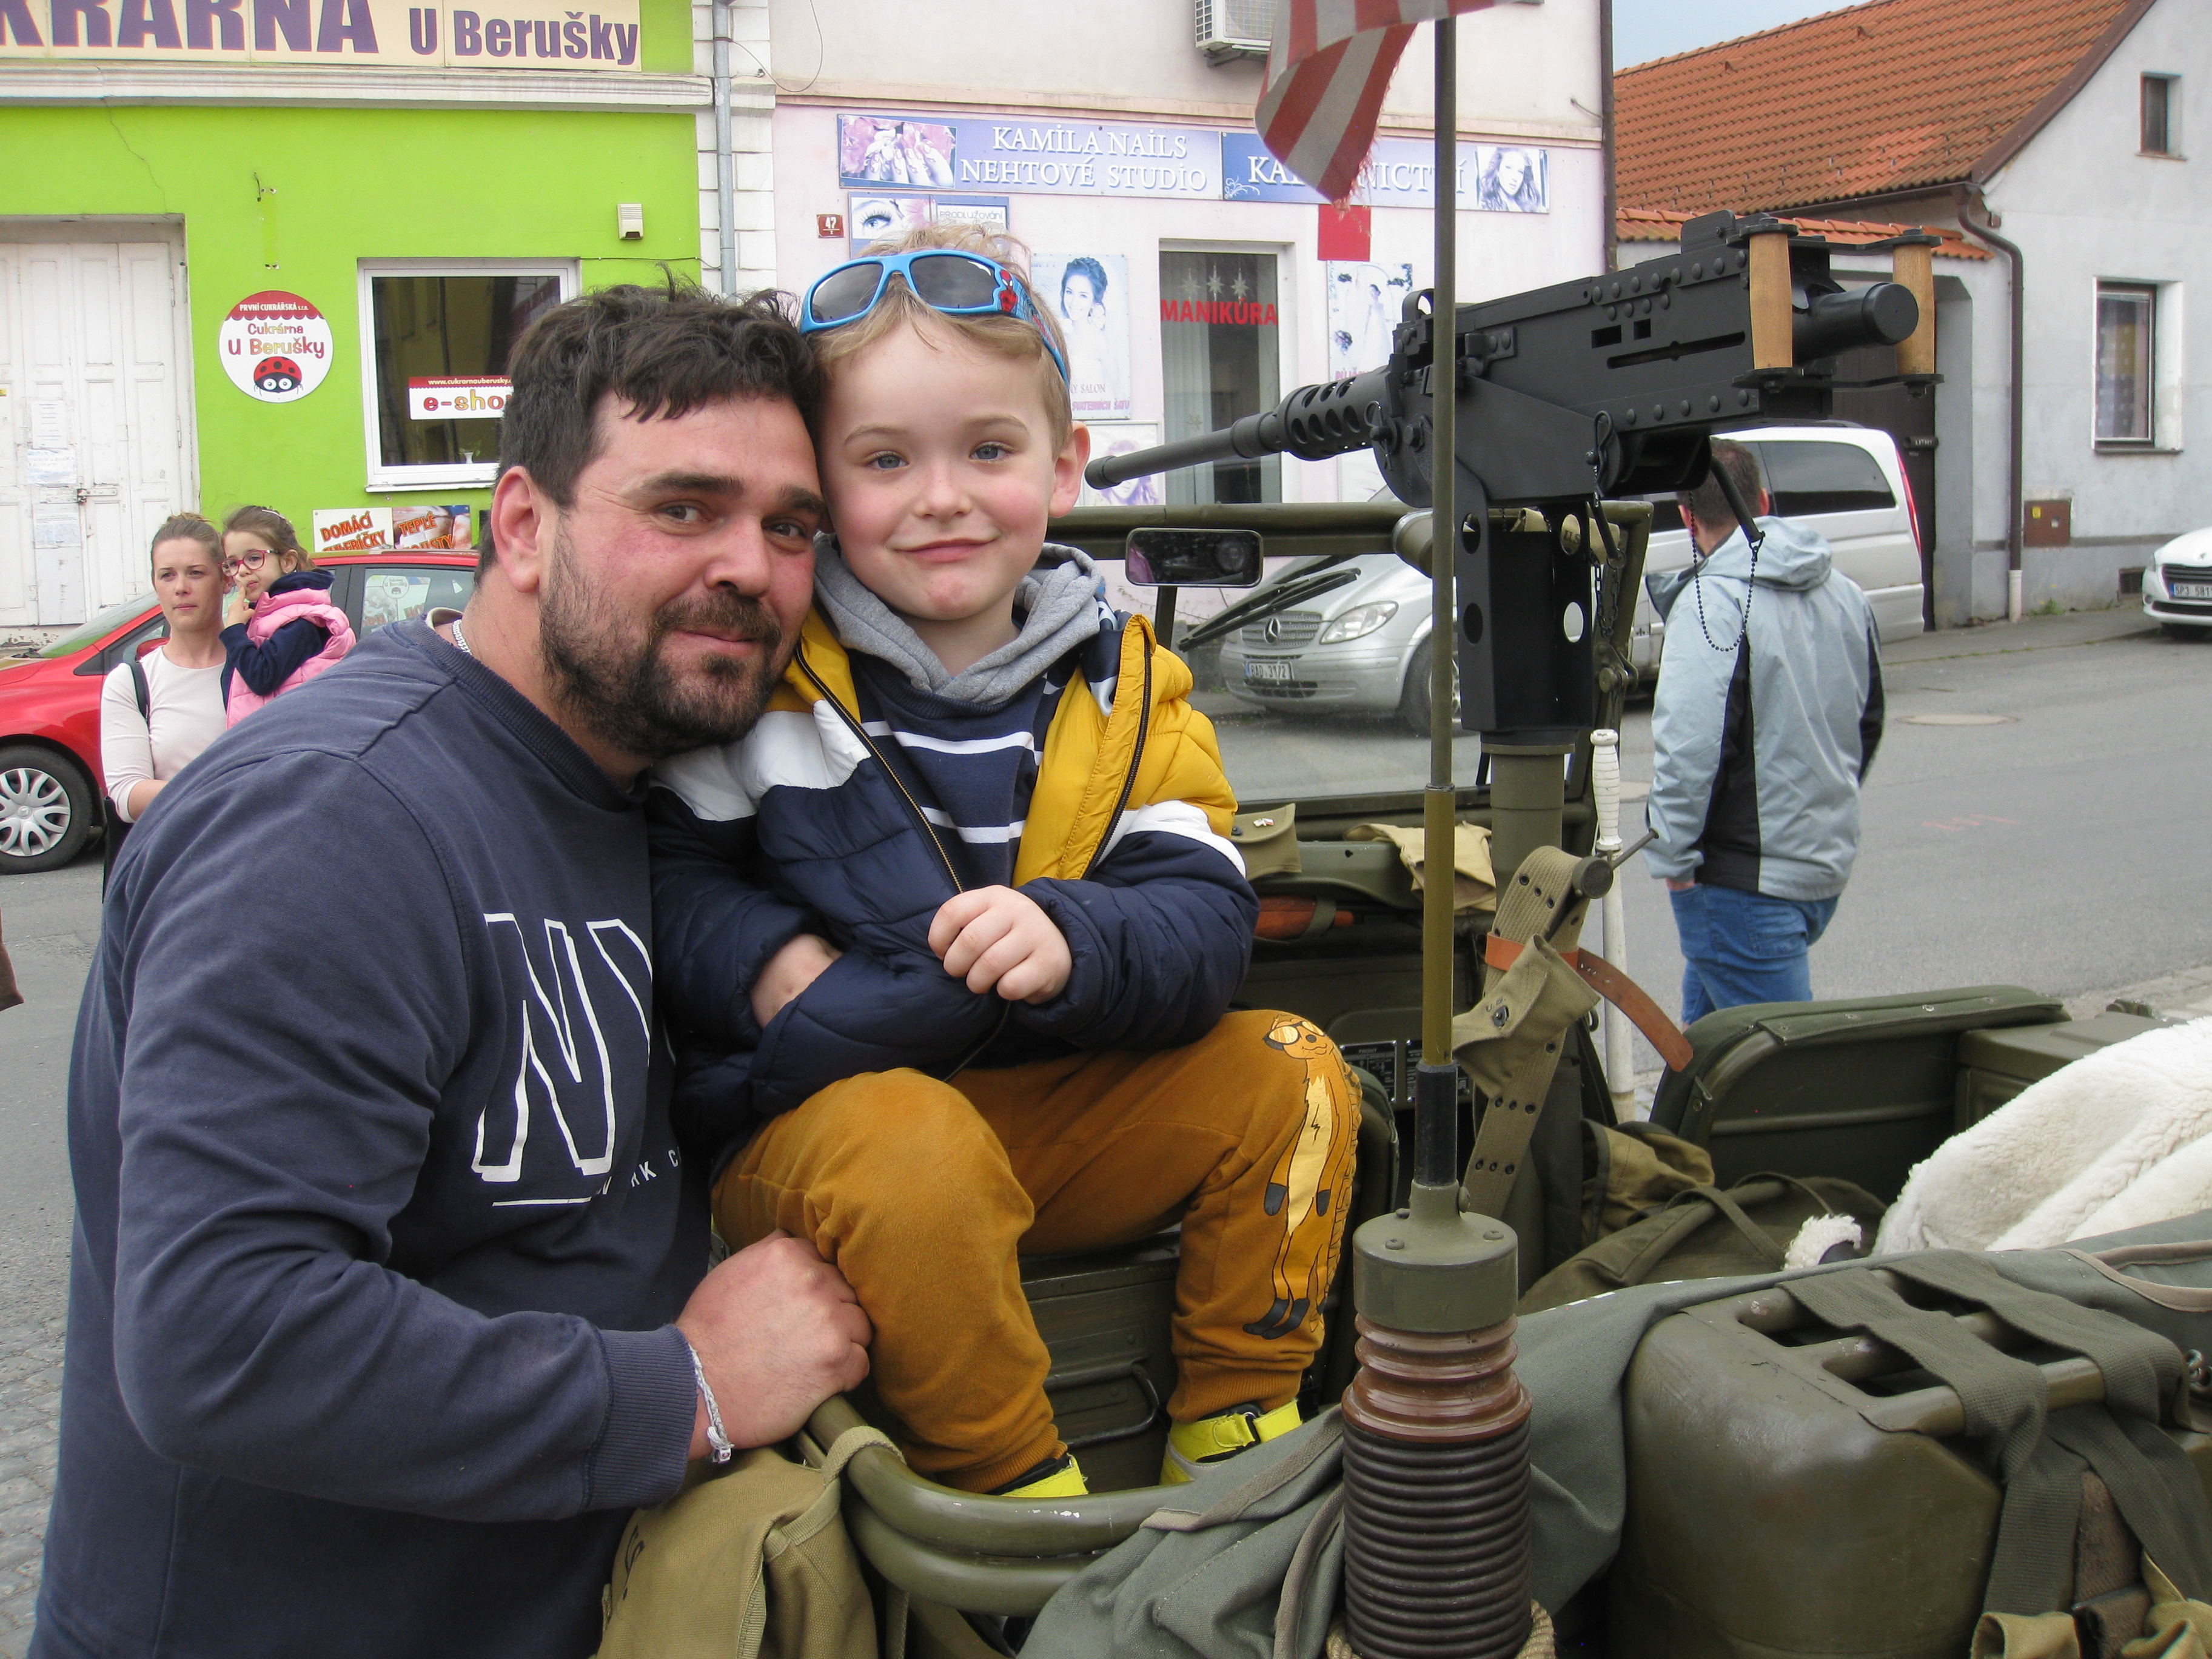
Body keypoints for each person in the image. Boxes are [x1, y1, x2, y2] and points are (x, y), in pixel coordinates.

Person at [35, 283, 872, 1659]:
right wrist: (686, 1387)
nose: (752, 566)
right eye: (683, 507)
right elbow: (222, 1335)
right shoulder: (335, 816)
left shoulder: (653, 788)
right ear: (524, 526)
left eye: (791, 526)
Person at [648, 226, 1359, 1500]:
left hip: (1044, 1111)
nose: (942, 497)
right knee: (914, 1146)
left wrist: (1076, 936)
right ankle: (1008, 1490)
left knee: (1293, 1069)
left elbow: (1203, 915)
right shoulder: (767, 673)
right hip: (818, 1134)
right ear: (822, 485)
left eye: (988, 450)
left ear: (1063, 463)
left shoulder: (1133, 690)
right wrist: (767, 963)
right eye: (884, 460)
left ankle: (1236, 1416)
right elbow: (666, 876)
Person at [1644, 439, 1885, 1025]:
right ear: (1764, 501)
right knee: (1705, 1050)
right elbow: (1867, 720)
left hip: (1742, 883)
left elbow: (1690, 749)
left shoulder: (1712, 602)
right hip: (1819, 864)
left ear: (1687, 518)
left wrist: (1673, 859)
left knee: (1783, 1067)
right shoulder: (1846, 594)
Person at [99, 515, 230, 842]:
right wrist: (227, 795)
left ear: (225, 579)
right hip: (177, 859)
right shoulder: (132, 682)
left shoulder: (264, 667)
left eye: (196, 573)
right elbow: (127, 795)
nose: (181, 587)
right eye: (167, 575)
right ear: (155, 585)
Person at [217, 504, 355, 724]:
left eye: (254, 558)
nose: (241, 571)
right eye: (233, 563)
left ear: (287, 562)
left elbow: (262, 678)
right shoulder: (264, 616)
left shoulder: (303, 620)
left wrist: (234, 632)